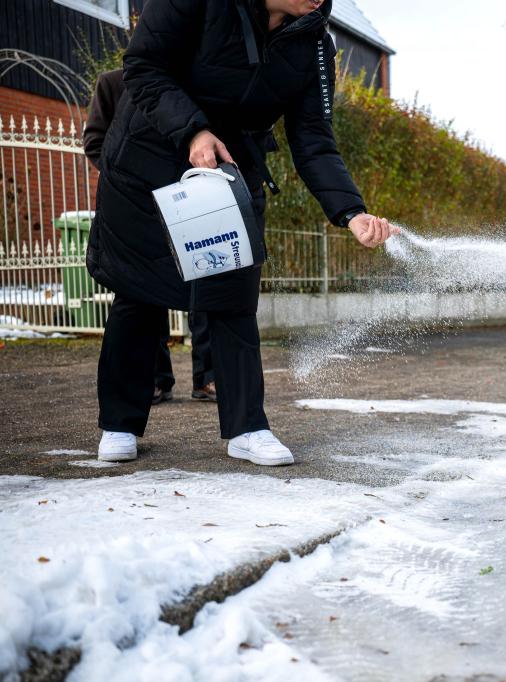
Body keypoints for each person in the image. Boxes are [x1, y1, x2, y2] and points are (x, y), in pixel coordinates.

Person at [86, 0, 396, 466]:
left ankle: (248, 427)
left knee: (233, 294)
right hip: (146, 155)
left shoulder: (314, 44)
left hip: (230, 167)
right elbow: (144, 67)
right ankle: (120, 422)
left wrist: (351, 213)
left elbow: (313, 138)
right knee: (140, 291)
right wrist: (193, 132)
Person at [83, 68, 217, 407]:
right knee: (142, 291)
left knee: (203, 279)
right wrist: (126, 179)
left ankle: (209, 377)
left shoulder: (191, 79)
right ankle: (156, 379)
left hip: (189, 198)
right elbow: (95, 141)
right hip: (137, 203)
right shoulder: (114, 83)